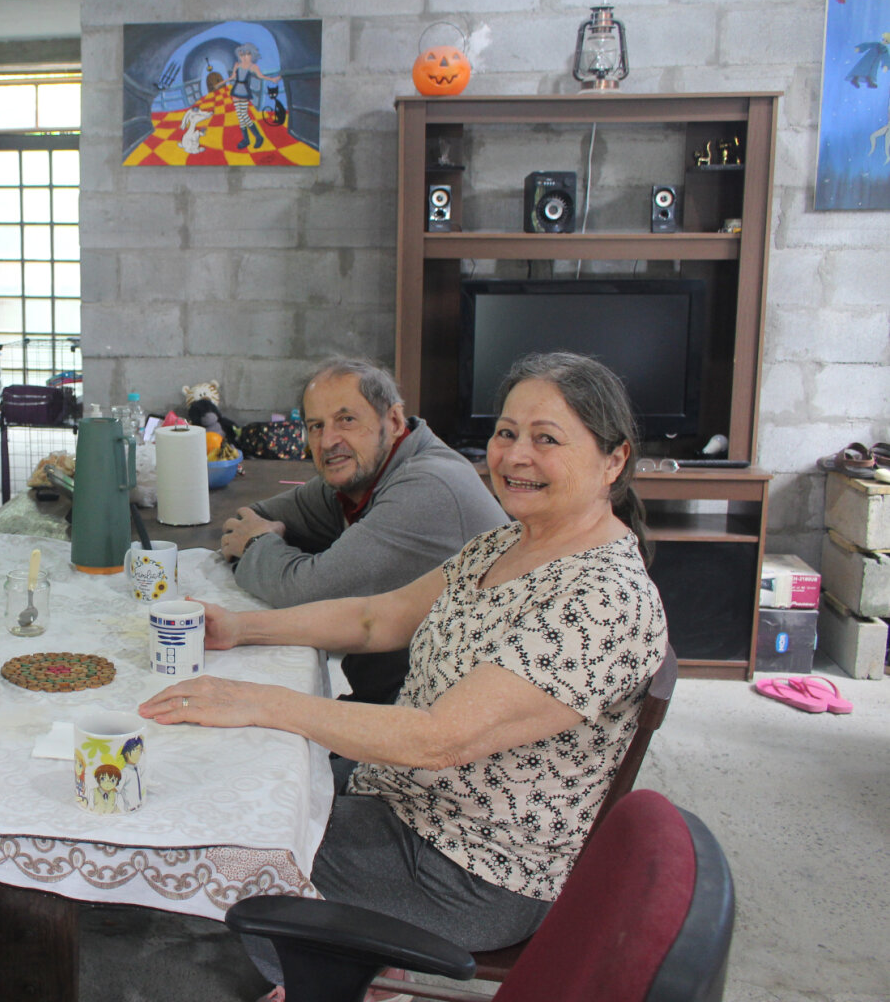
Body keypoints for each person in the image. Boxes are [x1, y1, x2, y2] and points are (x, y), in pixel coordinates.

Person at [143, 352, 668, 997]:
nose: (515, 456)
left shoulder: (603, 599)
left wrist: (257, 699)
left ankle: (335, 975)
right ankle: (348, 966)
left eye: (546, 439)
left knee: (236, 844)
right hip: (404, 795)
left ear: (613, 461)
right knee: (240, 769)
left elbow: (437, 738)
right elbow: (378, 618)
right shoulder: (512, 541)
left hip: (465, 865)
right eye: (506, 433)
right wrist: (241, 628)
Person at [219, 357, 506, 705]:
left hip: (452, 722)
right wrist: (260, 541)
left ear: (395, 420)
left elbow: (307, 593)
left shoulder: (427, 485)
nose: (327, 442)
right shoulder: (357, 476)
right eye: (316, 426)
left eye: (347, 420)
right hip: (397, 698)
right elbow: (249, 518)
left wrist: (258, 544)